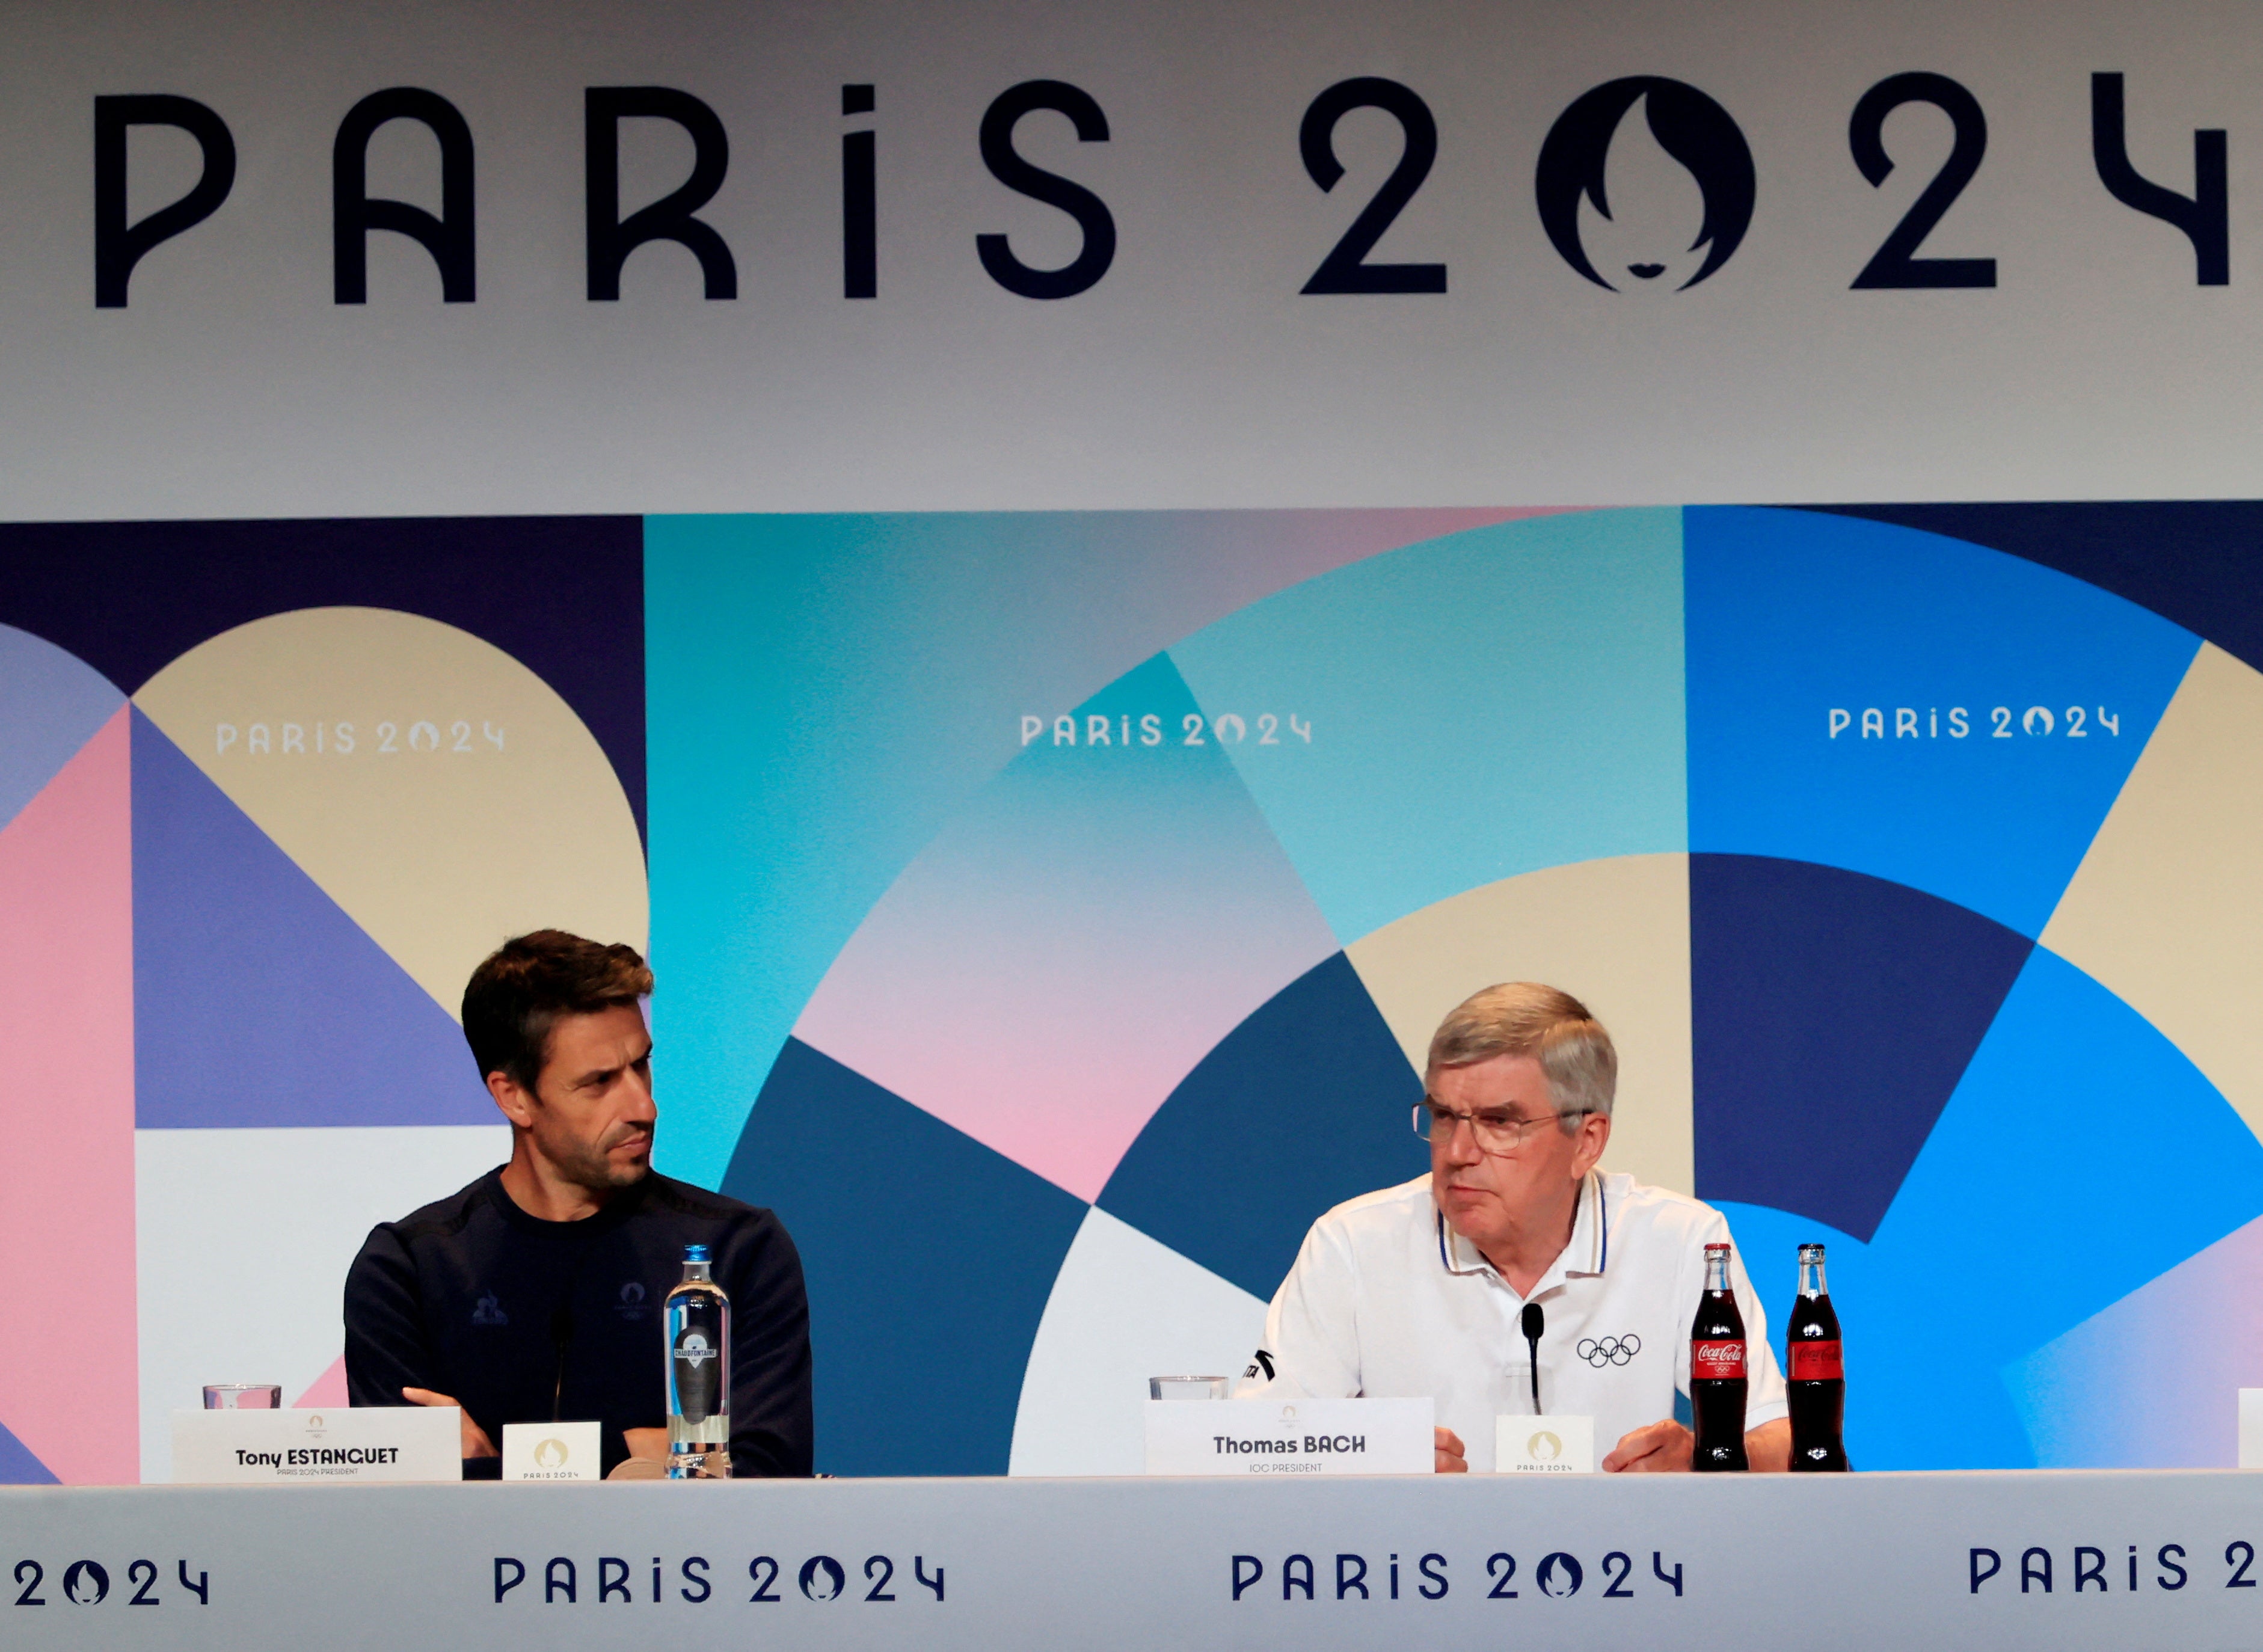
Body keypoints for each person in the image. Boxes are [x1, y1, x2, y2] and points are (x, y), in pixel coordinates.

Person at [1235, 982, 1789, 1473]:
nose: (1456, 1152)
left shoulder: (1680, 1238)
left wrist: (1703, 1457)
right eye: (1444, 1116)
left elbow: (1788, 1439)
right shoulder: (1353, 1243)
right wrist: (1366, 1453)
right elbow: (1247, 1445)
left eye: (1499, 1122)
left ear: (1587, 1140)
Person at [343, 930, 812, 1478]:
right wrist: (655, 1453)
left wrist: (493, 1463)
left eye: (641, 1065)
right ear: (514, 1096)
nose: (643, 1105)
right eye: (599, 1083)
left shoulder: (739, 1251)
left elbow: (769, 1478)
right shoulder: (408, 1269)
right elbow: (397, 1502)